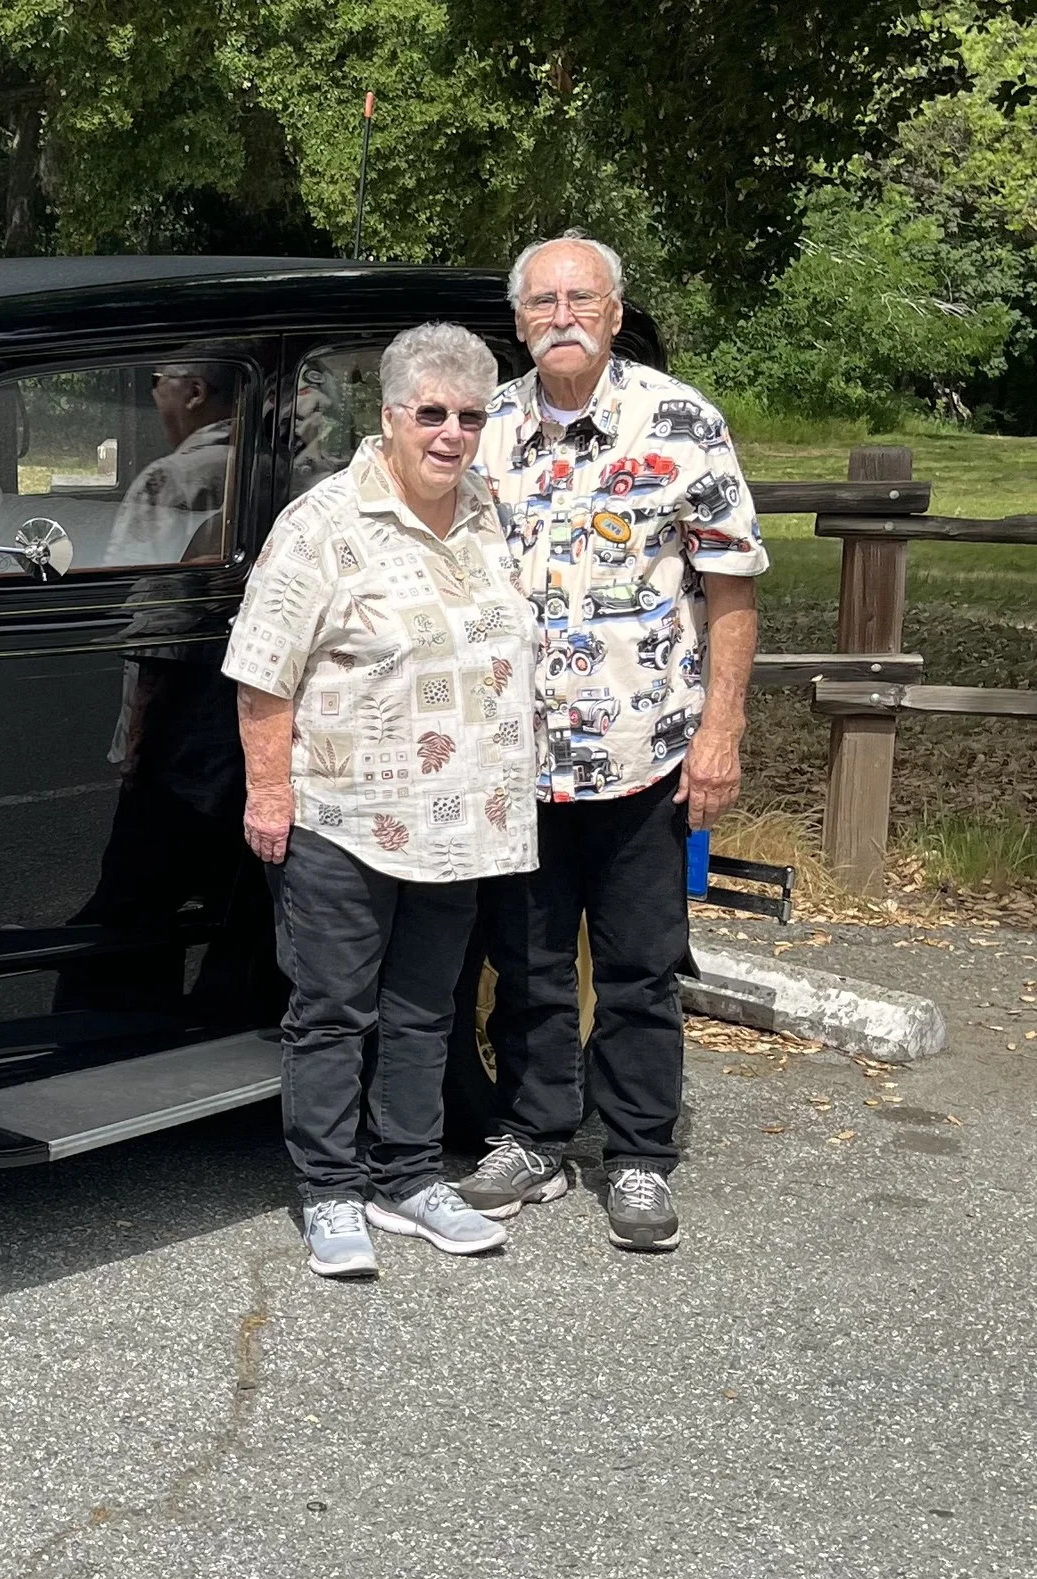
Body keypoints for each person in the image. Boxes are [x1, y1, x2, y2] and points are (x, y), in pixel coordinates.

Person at [461, 230, 766, 1253]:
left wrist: (721, 729)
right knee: (529, 960)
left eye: (580, 299)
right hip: (517, 757)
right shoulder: (488, 428)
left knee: (639, 965)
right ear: (517, 321)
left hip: (646, 750)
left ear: (615, 313)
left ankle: (638, 1152)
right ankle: (535, 1135)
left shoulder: (679, 422)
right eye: (542, 302)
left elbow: (731, 588)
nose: (562, 317)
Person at [223, 322, 540, 1279]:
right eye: (432, 413)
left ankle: (408, 1174)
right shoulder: (323, 522)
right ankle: (330, 1186)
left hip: (460, 818)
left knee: (425, 1007)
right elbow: (262, 671)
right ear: (392, 414)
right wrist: (268, 790)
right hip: (343, 816)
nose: (451, 433)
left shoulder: (489, 512)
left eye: (471, 416)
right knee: (332, 1009)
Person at [108, 362, 236, 565]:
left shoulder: (167, 478)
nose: (153, 393)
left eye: (157, 380)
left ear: (195, 393)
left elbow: (127, 576)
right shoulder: (276, 467)